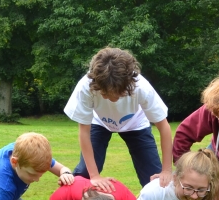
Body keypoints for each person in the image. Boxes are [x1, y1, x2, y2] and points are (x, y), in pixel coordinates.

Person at [64, 47, 173, 191]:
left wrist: (166, 170)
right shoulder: (86, 86)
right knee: (84, 175)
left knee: (154, 181)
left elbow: (163, 127)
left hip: (136, 123)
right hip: (100, 122)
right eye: (103, 92)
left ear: (127, 86)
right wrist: (95, 175)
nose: (107, 98)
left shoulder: (140, 87)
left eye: (113, 94)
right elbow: (84, 131)